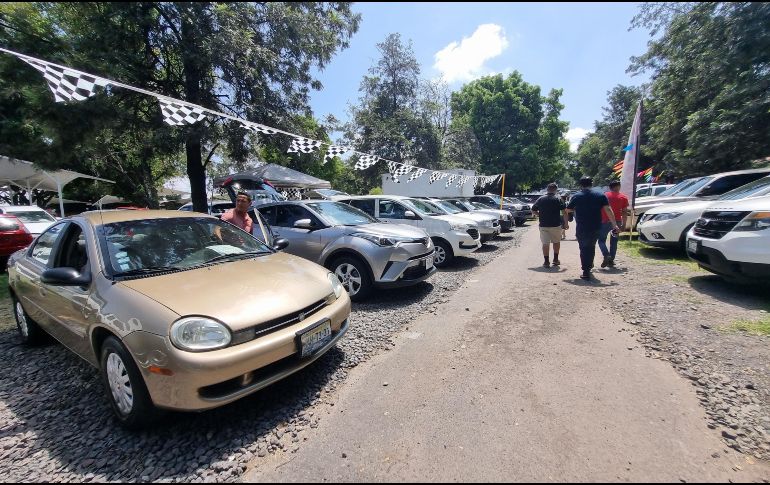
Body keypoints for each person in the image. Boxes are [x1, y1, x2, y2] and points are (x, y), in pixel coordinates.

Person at [563, 176, 619, 280]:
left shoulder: (576, 196)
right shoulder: (600, 195)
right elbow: (608, 209)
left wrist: (577, 209)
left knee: (583, 248)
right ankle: (589, 265)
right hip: (596, 225)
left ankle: (586, 270)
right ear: (591, 184)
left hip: (582, 226)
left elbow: (568, 210)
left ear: (581, 185)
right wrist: (614, 224)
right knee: (591, 246)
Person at [532, 183, 566, 267]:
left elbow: (533, 210)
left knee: (545, 243)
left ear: (547, 189)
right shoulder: (558, 198)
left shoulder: (540, 198)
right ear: (555, 190)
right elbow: (564, 212)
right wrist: (566, 223)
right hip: (556, 225)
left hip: (543, 225)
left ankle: (546, 261)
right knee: (556, 242)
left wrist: (540, 215)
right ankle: (555, 259)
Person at [598, 180, 629, 268]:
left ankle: (606, 254)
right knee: (614, 242)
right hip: (617, 222)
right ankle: (611, 261)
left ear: (610, 187)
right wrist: (624, 224)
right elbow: (624, 212)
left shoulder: (604, 195)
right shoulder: (623, 197)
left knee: (601, 240)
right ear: (618, 186)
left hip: (604, 222)